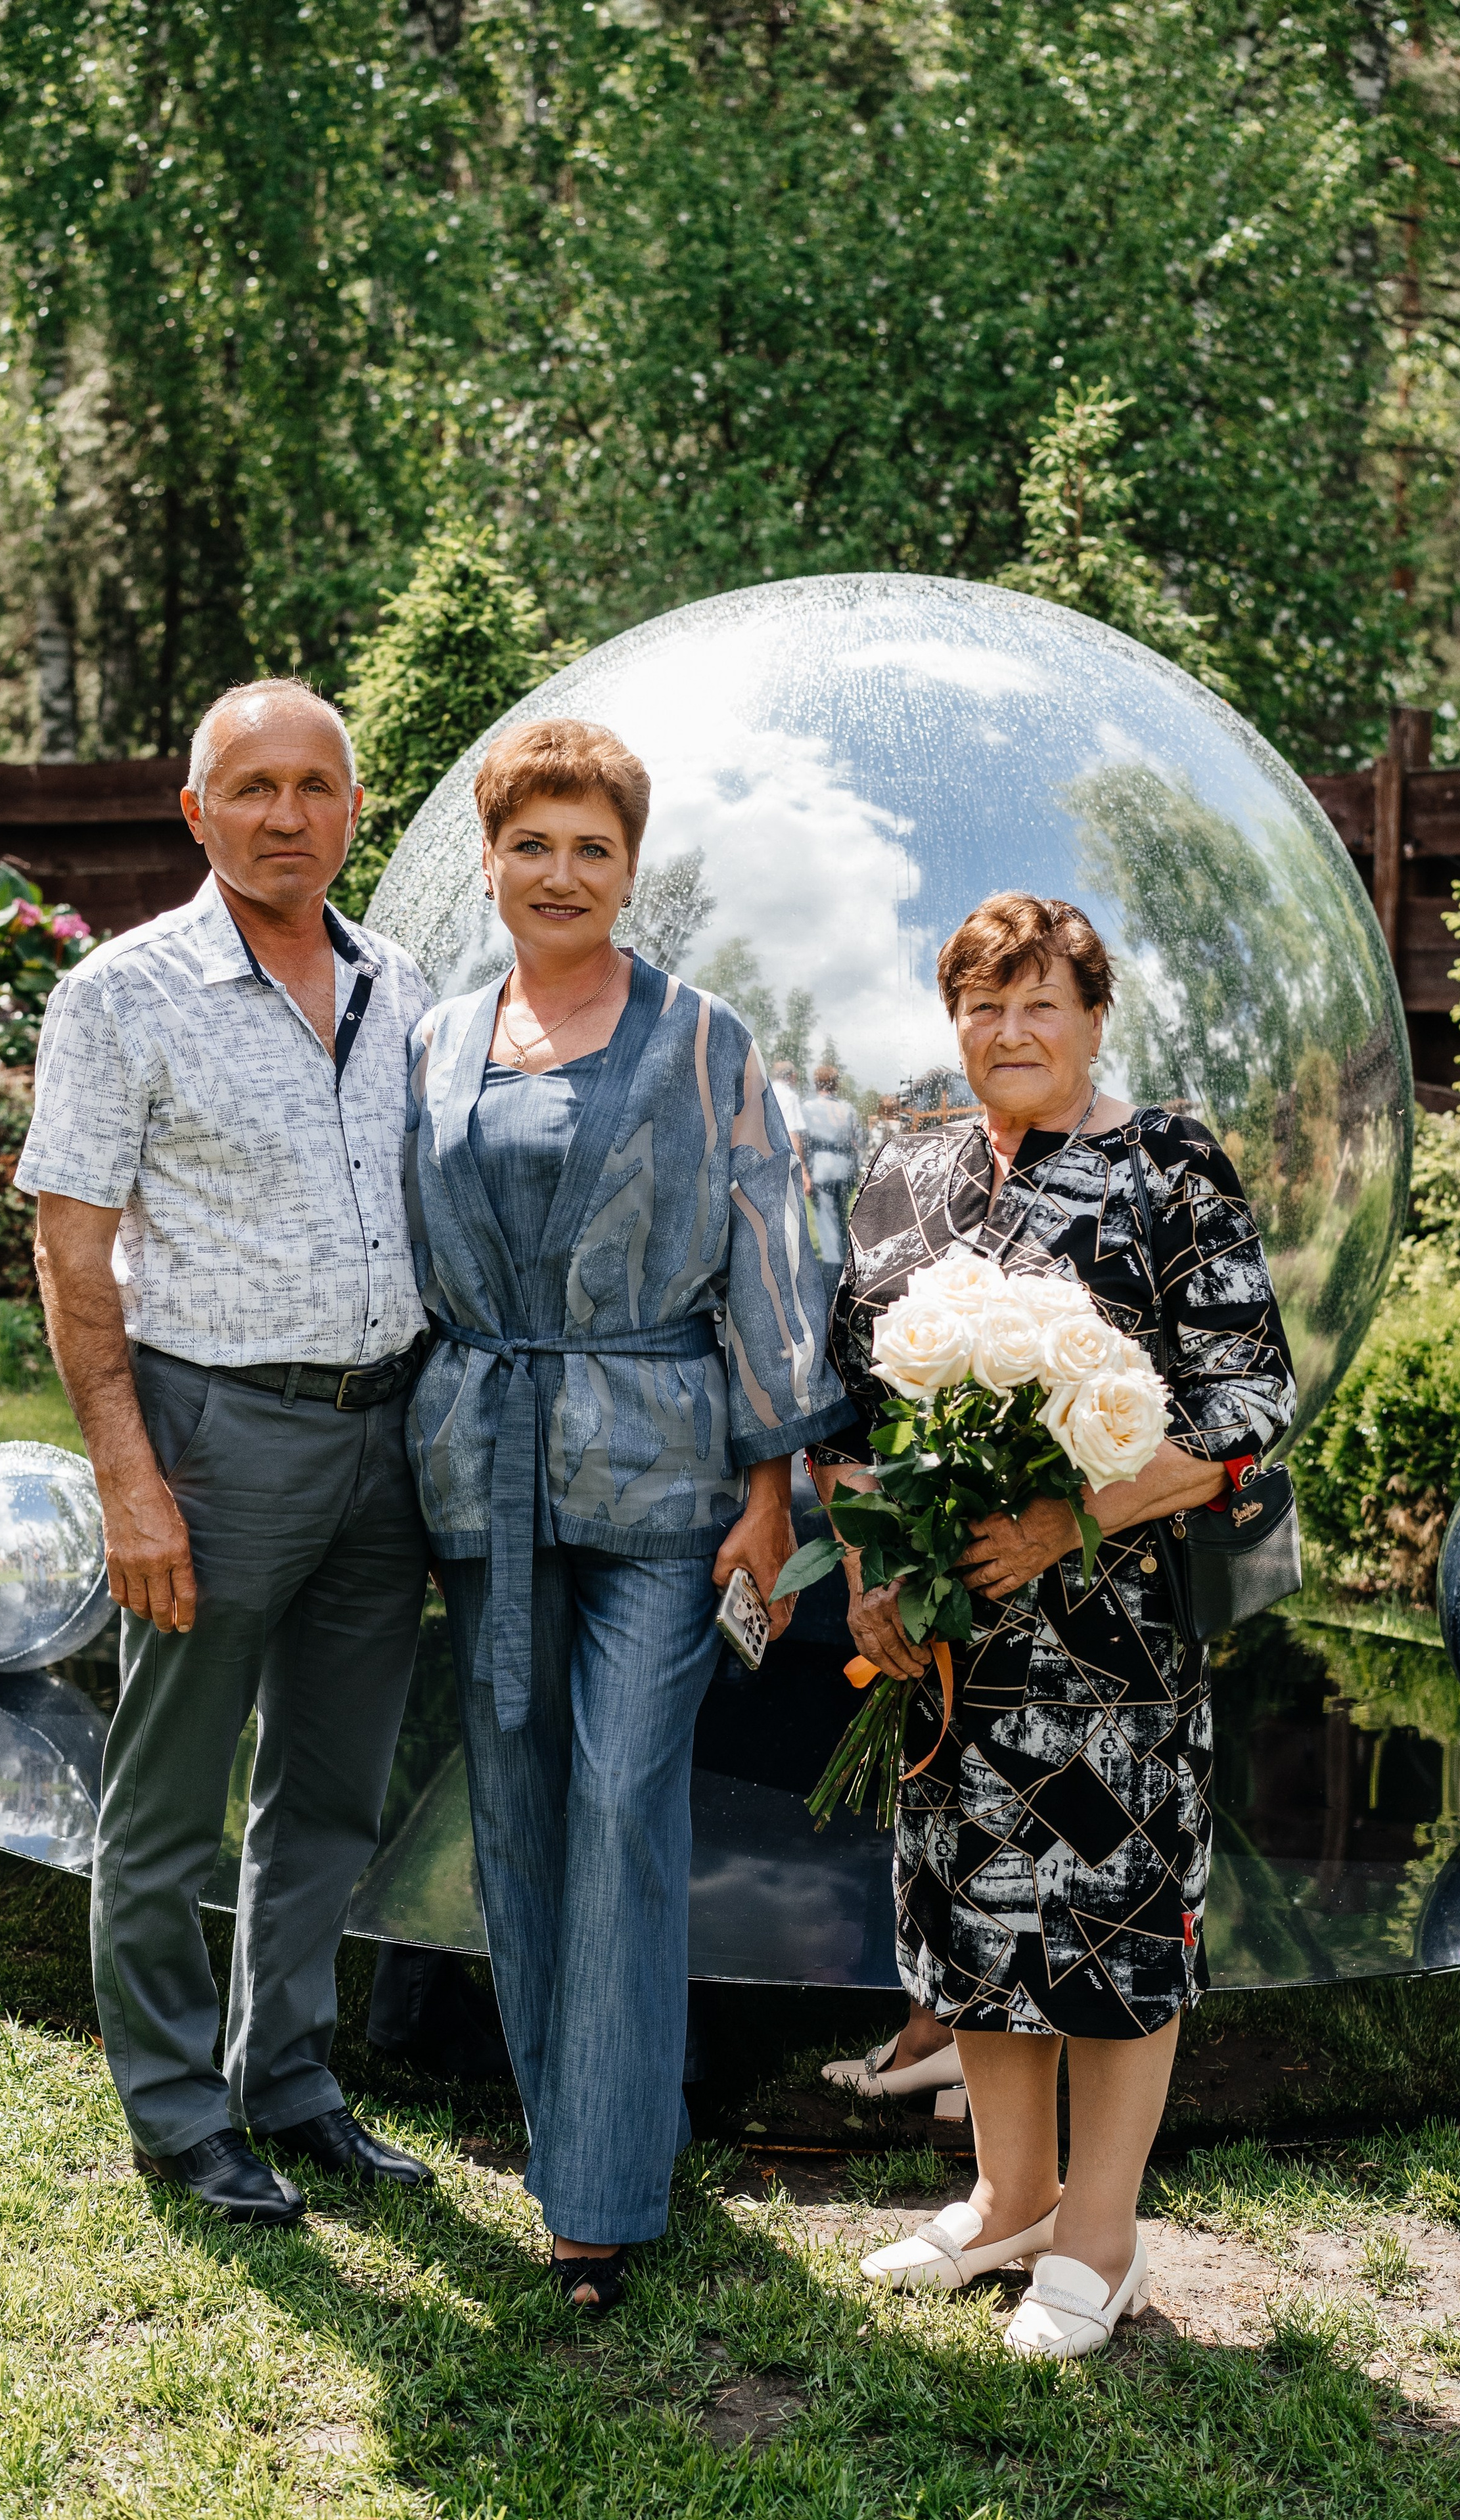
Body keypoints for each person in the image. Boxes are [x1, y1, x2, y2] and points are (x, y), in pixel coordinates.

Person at [405, 716, 852, 2310]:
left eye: (591, 846)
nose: (560, 872)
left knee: (615, 1800)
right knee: (519, 1813)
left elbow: (769, 1261)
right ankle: (587, 2133)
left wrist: (767, 1491)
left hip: (664, 1477)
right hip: (485, 1474)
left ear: (629, 869)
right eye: (531, 842)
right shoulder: (441, 1039)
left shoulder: (699, 1038)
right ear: (487, 858)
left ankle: (596, 2205)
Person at [811, 891, 1294, 2357]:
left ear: (1092, 1018)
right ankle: (1007, 2197)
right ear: (950, 1019)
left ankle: (1099, 2237)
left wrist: (1060, 1522)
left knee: (1107, 1918)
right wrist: (868, 1574)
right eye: (980, 1002)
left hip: (1108, 1641)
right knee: (973, 1914)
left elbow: (1242, 1413)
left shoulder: (1166, 1168)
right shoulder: (904, 1170)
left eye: (1039, 1003)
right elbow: (845, 1410)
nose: (1007, 1030)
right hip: (944, 1648)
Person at [18, 677, 436, 2226]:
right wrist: (130, 1479)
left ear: (349, 806)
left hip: (382, 1435)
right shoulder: (119, 993)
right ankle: (178, 2109)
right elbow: (71, 1263)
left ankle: (294, 2079)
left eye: (312, 785)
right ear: (195, 811)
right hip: (212, 1437)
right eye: (249, 785)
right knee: (169, 1793)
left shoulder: (405, 981)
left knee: (328, 1788)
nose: (284, 813)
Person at [802, 1062, 864, 1260]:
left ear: (816, 1083)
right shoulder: (847, 1108)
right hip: (844, 1169)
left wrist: (805, 1173)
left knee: (827, 1226)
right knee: (842, 1219)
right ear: (835, 1084)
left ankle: (833, 1276)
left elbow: (802, 1141)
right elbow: (860, 1140)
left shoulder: (808, 1108)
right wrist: (855, 1167)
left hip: (821, 1170)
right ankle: (847, 1263)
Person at [771, 1059, 810, 1190]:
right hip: (781, 1161)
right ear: (793, 1076)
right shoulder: (790, 1097)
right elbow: (793, 1134)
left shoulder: (765, 1089)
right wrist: (802, 1169)